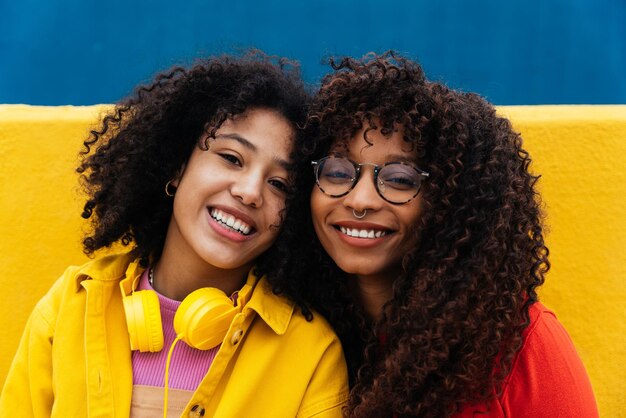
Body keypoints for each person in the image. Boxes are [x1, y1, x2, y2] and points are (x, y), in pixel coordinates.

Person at [0, 52, 348, 417]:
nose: (249, 192)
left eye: (279, 183)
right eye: (231, 158)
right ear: (177, 167)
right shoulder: (70, 307)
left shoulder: (311, 354)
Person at [303, 52, 599, 417]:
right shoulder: (283, 328)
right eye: (337, 171)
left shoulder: (520, 345)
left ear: (450, 200)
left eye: (399, 179)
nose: (360, 199)